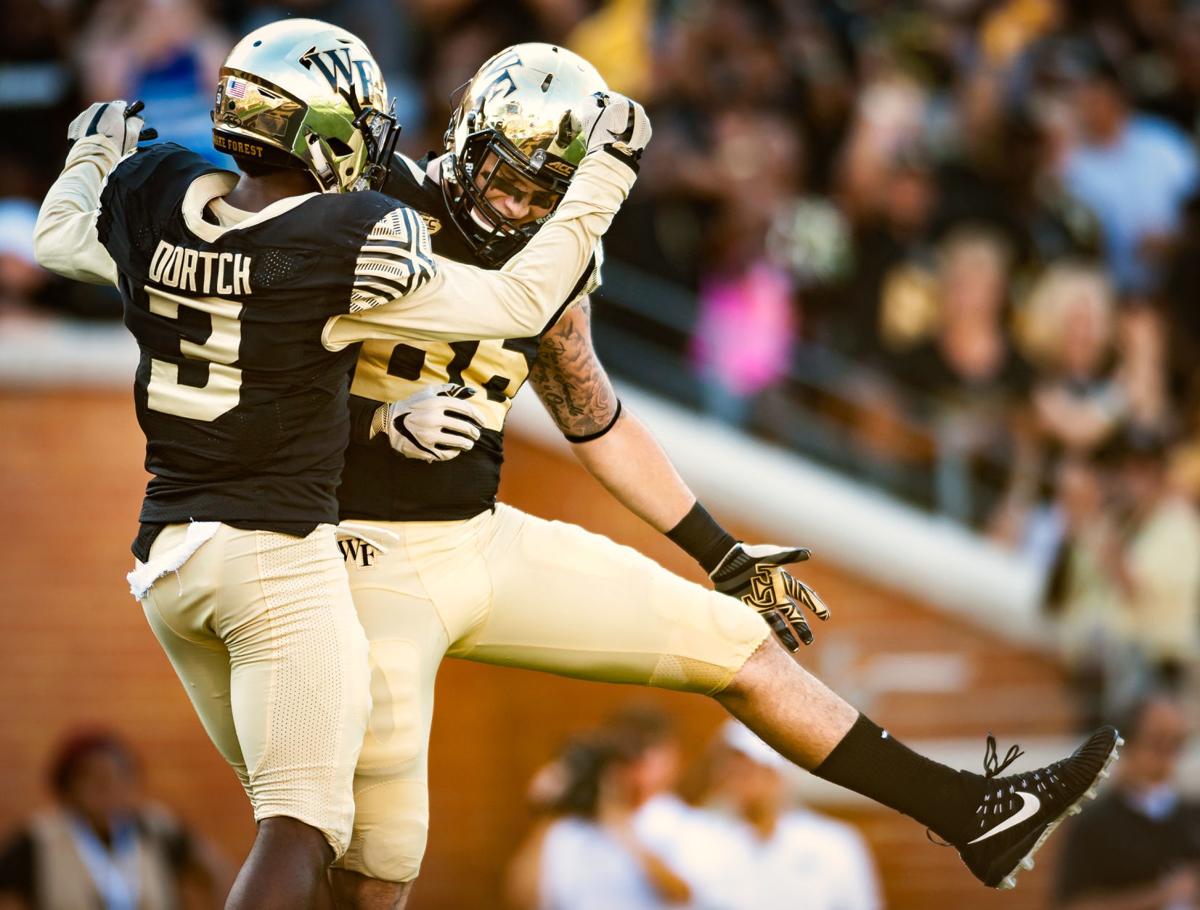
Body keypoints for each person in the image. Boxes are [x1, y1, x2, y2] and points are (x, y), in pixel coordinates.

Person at [326, 42, 1122, 910]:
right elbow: (247, 376)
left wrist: (723, 553)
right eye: (505, 180)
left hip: (477, 541)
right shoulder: (367, 206)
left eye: (543, 195)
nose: (517, 208)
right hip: (361, 552)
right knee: (377, 868)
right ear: (466, 138)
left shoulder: (556, 259)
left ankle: (972, 811)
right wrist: (372, 421)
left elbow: (594, 418)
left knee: (742, 650)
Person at [32, 19, 648, 909]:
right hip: (274, 560)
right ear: (328, 135)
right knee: (309, 826)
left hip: (167, 557)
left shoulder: (161, 193)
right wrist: (605, 178)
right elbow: (519, 296)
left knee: (303, 824)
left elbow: (58, 244)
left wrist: (91, 154)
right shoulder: (341, 235)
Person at [0, 729, 230, 910]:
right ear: (68, 788)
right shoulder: (40, 838)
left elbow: (217, 872)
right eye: (96, 780)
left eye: (121, 777)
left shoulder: (157, 827)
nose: (110, 790)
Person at [696, 721, 882, 910]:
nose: (737, 776)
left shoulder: (835, 843)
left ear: (776, 773)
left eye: (749, 767)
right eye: (731, 767)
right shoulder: (699, 837)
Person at [1055, 694, 1200, 910]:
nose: (1167, 756)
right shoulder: (1094, 824)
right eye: (1158, 743)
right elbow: (1073, 904)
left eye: (1176, 743)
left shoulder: (1192, 815)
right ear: (1128, 744)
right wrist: (1159, 896)